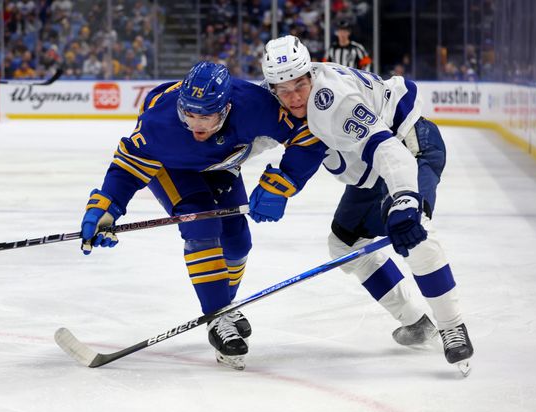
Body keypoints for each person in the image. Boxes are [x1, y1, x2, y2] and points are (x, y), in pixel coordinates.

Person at [249, 35, 474, 375]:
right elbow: (254, 139)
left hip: (409, 145)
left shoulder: (331, 101)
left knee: (413, 232)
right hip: (370, 169)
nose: (294, 97)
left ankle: (452, 327)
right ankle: (416, 322)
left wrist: (405, 199)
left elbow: (388, 151)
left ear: (310, 74)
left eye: (299, 85)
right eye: (283, 89)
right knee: (344, 243)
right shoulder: (276, 98)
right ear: (272, 87)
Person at [79, 61, 311, 370]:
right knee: (201, 223)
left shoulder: (255, 106)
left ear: (227, 108)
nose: (196, 125)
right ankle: (217, 319)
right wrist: (106, 206)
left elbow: (306, 134)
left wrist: (284, 182)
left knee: (238, 241)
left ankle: (222, 308)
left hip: (220, 164)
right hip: (172, 168)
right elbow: (127, 166)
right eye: (188, 114)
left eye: (206, 117)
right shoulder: (161, 124)